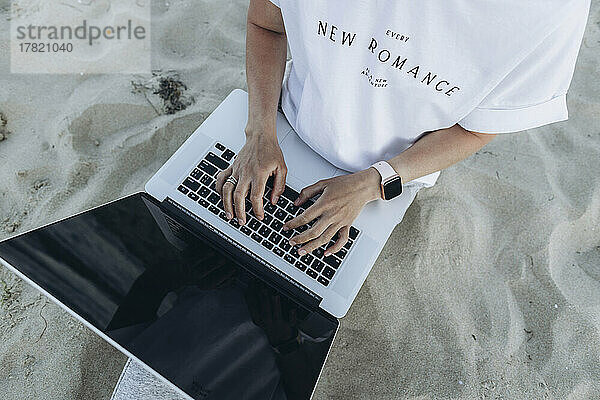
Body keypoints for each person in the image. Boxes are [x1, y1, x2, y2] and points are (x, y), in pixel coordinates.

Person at [216, 0, 590, 257]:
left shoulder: (551, 12)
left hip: (395, 177)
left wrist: (375, 182)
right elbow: (266, 22)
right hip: (282, 126)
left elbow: (477, 127)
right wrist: (260, 133)